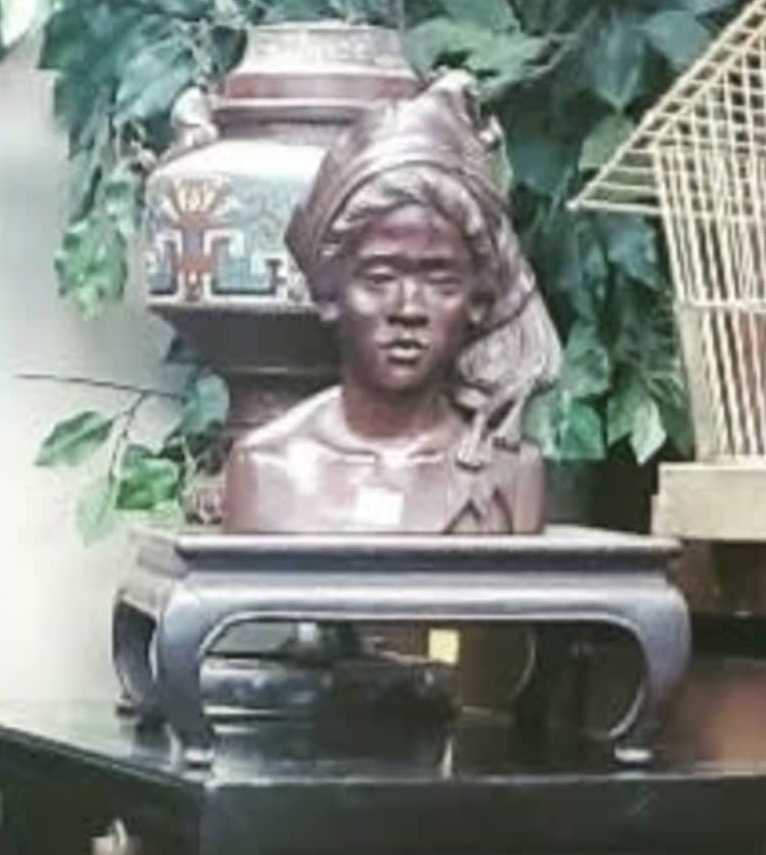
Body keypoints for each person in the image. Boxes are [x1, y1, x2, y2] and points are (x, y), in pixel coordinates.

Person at [223, 77, 558, 538]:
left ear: (477, 300)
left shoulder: (509, 473)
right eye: (380, 278)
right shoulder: (267, 467)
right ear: (328, 293)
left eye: (439, 279)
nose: (408, 309)